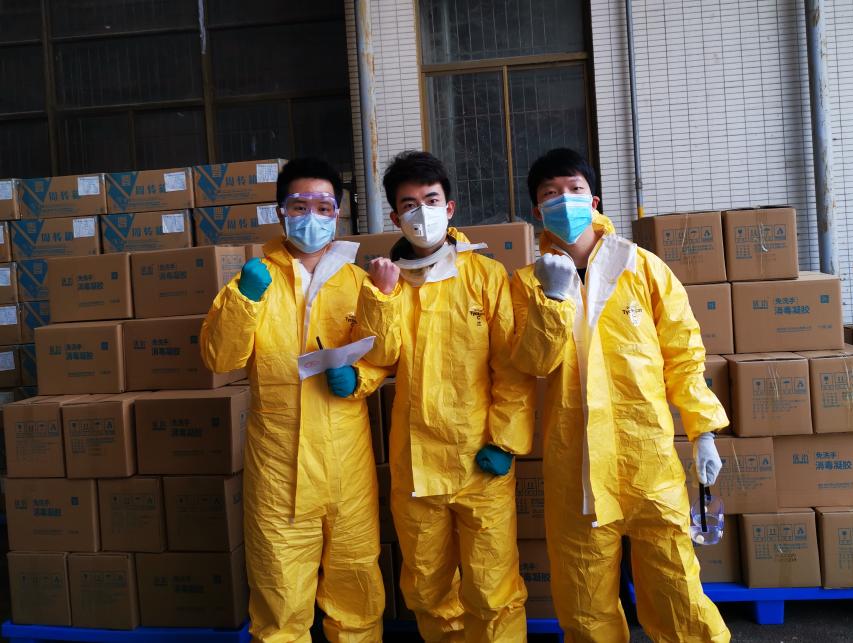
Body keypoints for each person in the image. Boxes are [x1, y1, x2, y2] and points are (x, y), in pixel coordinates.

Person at [509, 148, 730, 642]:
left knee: (677, 589)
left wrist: (704, 431)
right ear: (538, 210)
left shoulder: (642, 267)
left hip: (647, 459)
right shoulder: (526, 284)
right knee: (585, 601)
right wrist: (552, 299)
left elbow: (683, 353)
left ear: (594, 200)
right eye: (550, 193)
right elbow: (532, 364)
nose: (564, 200)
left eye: (574, 189)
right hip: (577, 465)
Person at [200, 157, 387, 643]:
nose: (311, 216)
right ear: (280, 211)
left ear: (337, 215)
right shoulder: (255, 278)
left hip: (346, 466)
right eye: (299, 205)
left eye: (323, 207)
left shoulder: (358, 282)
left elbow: (386, 355)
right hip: (278, 467)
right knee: (280, 601)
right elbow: (220, 357)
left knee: (356, 591)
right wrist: (245, 298)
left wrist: (360, 378)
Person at [354, 151, 533, 641]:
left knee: (493, 589)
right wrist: (381, 297)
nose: (422, 212)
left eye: (430, 200)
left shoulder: (485, 276)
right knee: (428, 588)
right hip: (416, 462)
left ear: (449, 208)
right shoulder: (387, 280)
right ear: (395, 217)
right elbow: (381, 356)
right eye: (408, 205)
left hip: (481, 460)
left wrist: (506, 440)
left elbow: (511, 369)